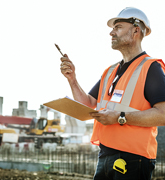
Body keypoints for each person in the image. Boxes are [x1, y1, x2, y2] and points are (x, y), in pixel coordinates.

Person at [60, 7, 165, 180]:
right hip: (105, 156)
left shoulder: (151, 68)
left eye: (118, 27)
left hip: (134, 159)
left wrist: (119, 117)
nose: (111, 33)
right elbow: (87, 104)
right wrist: (72, 79)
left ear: (135, 31)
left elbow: (163, 115)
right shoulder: (110, 71)